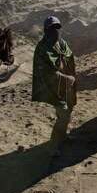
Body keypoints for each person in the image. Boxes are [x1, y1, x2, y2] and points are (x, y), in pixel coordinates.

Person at [32, 16, 77, 148]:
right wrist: (66, 78)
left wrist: (71, 78)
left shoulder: (62, 43)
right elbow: (46, 72)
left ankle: (62, 136)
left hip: (66, 85)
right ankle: (53, 145)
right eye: (52, 28)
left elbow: (69, 58)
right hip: (52, 86)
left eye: (57, 27)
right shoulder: (42, 48)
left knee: (68, 110)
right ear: (46, 30)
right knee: (63, 113)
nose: (56, 30)